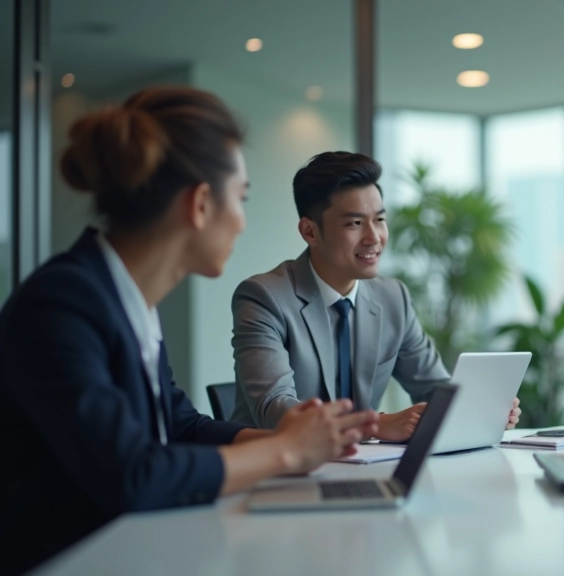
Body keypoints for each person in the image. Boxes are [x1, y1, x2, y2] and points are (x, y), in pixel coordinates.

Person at [0, 87, 379, 575]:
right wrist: (285, 451)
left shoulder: (124, 299)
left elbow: (180, 426)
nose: (242, 222)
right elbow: (133, 474)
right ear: (200, 204)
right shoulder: (61, 304)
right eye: (240, 199)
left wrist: (288, 436)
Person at [231, 152, 520, 439]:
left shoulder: (393, 298)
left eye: (379, 219)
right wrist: (374, 425)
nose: (374, 237)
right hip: (277, 473)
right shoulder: (264, 298)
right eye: (355, 224)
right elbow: (275, 410)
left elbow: (435, 390)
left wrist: (479, 409)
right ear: (310, 231)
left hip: (365, 469)